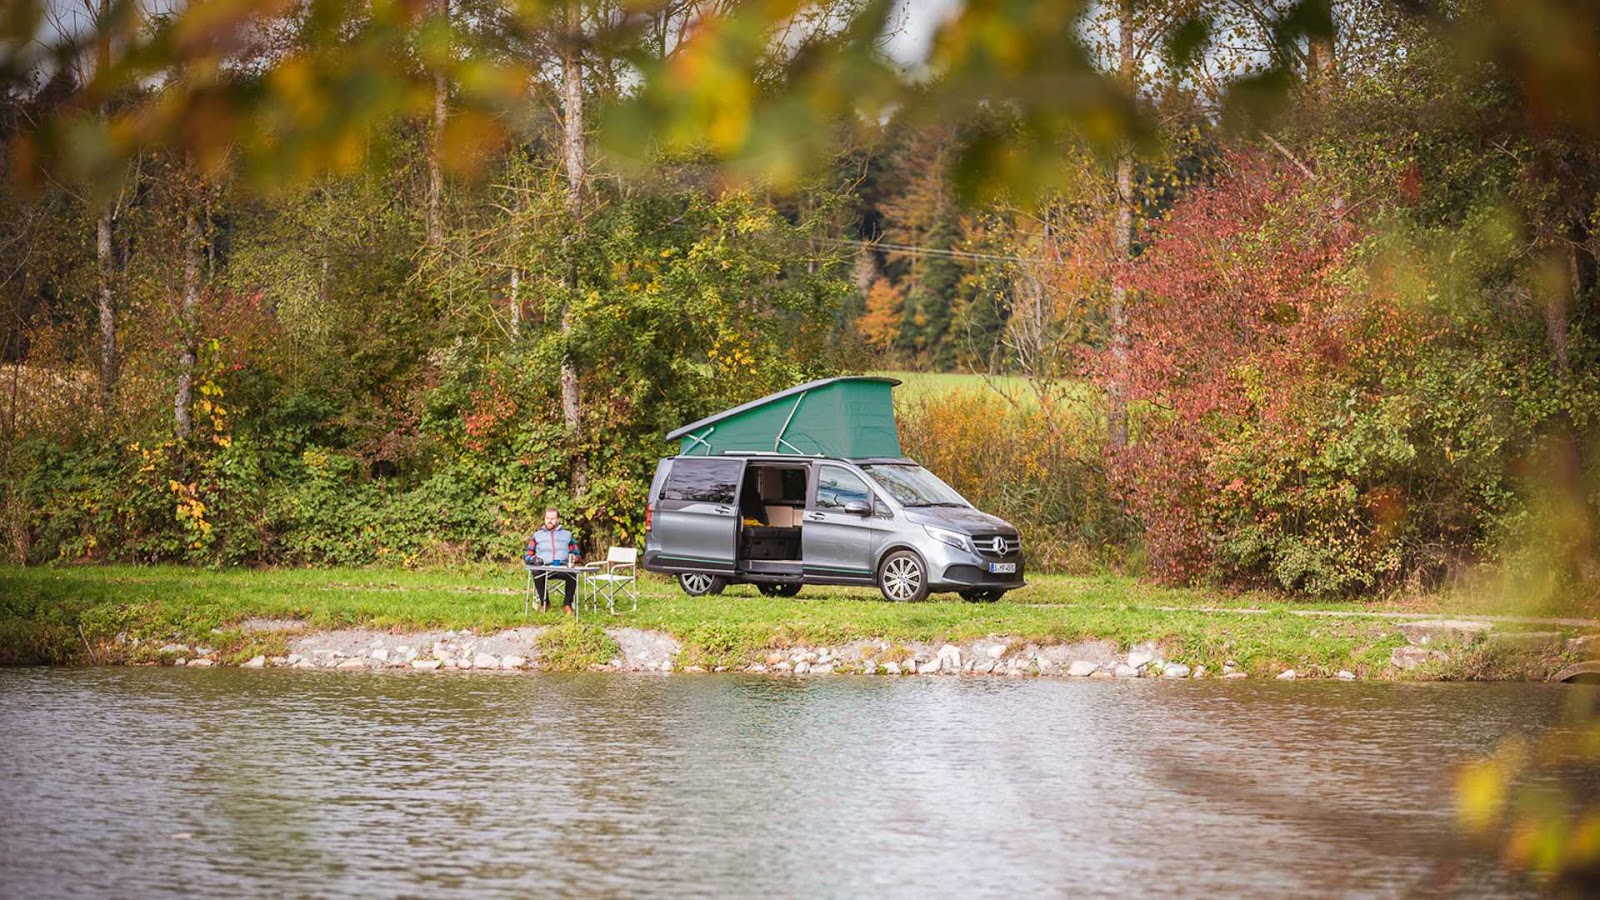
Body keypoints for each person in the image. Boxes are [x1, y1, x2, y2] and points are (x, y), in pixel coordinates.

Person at [525, 507, 582, 614]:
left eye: (552, 518)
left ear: (558, 520)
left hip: (563, 568)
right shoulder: (537, 536)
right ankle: (545, 603)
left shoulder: (567, 535)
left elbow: (577, 555)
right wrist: (533, 559)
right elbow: (527, 556)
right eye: (547, 518)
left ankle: (567, 604)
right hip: (544, 568)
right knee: (536, 571)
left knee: (573, 573)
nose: (549, 521)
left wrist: (575, 558)